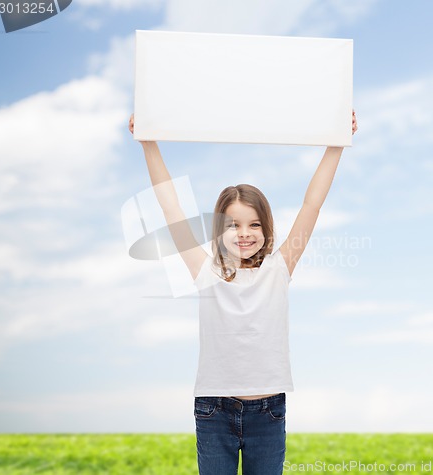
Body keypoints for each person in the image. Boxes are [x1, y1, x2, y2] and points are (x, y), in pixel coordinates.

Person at [129, 111, 358, 475]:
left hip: (267, 413)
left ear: (267, 229)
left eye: (254, 224)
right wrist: (148, 142)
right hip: (213, 411)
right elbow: (170, 205)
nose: (244, 233)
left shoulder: (280, 268)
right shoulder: (205, 270)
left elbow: (312, 204)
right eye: (233, 224)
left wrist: (336, 144)